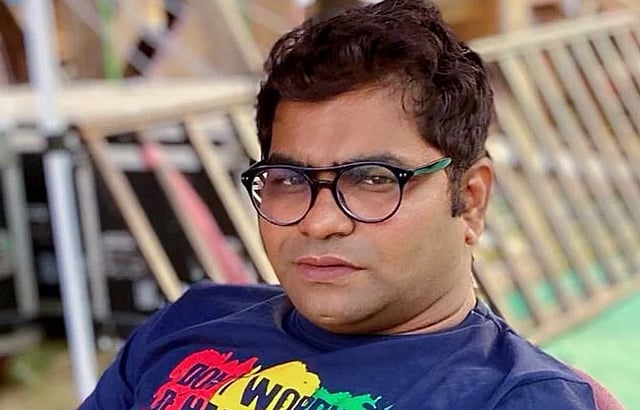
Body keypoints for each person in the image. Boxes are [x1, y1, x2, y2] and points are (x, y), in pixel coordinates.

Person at [81, 1, 613, 409]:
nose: (319, 221)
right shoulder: (191, 321)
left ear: (470, 200)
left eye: (373, 179)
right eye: (289, 179)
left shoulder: (512, 398)